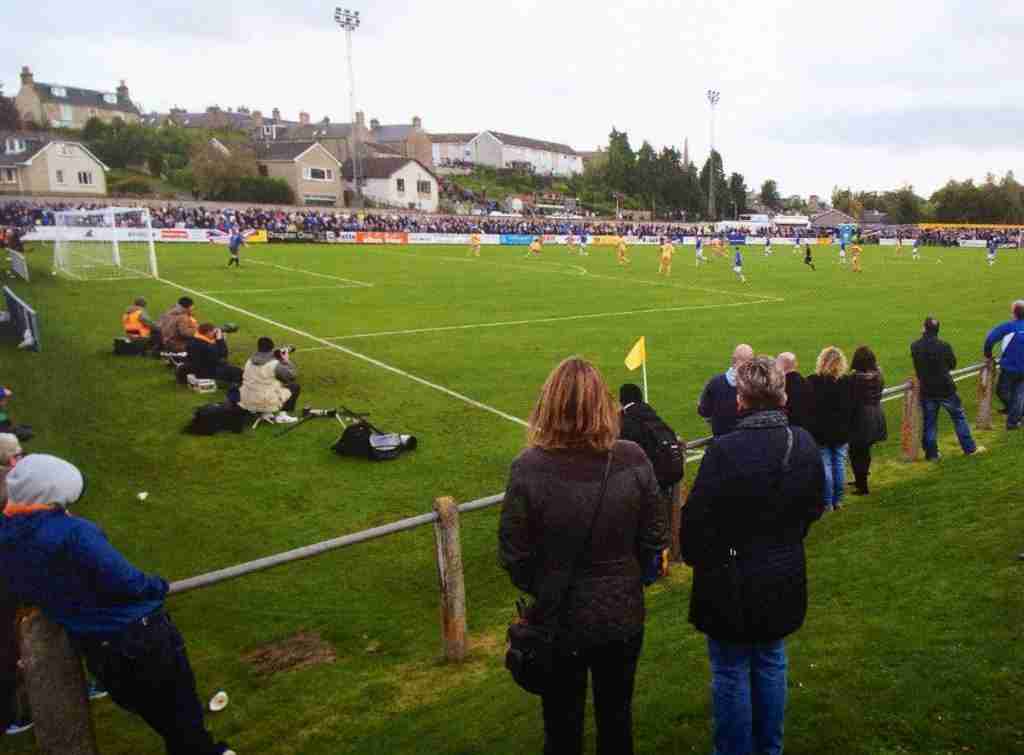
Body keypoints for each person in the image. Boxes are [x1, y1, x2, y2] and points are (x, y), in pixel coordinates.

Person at [0, 454, 235, 755]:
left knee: (156, 712)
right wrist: (157, 585)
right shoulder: (74, 533)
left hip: (98, 649)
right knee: (182, 712)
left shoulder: (8, 537)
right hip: (141, 637)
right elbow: (126, 582)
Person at [499, 357, 668, 755]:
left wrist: (548, 587)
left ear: (549, 405)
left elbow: (514, 555)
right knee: (616, 724)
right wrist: (628, 580)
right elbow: (655, 539)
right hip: (619, 615)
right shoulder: (632, 458)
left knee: (562, 731)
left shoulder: (529, 466)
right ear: (603, 405)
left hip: (562, 619)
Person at [680, 356, 825, 755]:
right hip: (782, 570)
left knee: (732, 669)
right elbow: (815, 505)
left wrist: (703, 556)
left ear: (741, 400)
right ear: (781, 397)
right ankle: (768, 748)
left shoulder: (725, 451)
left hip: (733, 577)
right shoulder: (803, 443)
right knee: (770, 659)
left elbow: (694, 524)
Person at [911, 317, 984, 460]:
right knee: (958, 418)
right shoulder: (944, 346)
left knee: (930, 423)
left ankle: (932, 455)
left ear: (924, 328)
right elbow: (952, 364)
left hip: (927, 390)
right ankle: (969, 448)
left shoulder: (915, 346)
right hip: (946, 388)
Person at [806, 346, 854, 510]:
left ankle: (827, 503)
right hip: (841, 431)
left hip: (821, 432)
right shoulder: (846, 382)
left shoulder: (812, 381)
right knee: (839, 464)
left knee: (826, 465)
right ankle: (838, 500)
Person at [848, 346, 888, 495]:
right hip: (876, 413)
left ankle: (862, 484)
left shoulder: (854, 378)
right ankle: (860, 478)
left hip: (861, 416)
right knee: (864, 450)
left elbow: (850, 397)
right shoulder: (879, 374)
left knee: (857, 450)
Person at [238, 337, 301, 424]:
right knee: (294, 387)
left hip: (246, 399)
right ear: (272, 348)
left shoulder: (249, 360)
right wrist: (286, 361)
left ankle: (265, 413)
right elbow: (292, 376)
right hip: (263, 401)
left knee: (267, 384)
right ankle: (282, 416)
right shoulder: (274, 365)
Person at [983, 299, 1024, 430]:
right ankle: (1015, 415)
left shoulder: (1008, 327)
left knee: (1002, 391)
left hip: (1010, 367)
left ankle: (1014, 418)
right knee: (1018, 393)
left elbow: (990, 339)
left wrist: (988, 355)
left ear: (1014, 313)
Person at [699, 344, 755, 438]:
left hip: (722, 440)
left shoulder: (715, 382)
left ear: (733, 359)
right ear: (752, 361)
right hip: (750, 441)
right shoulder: (758, 384)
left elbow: (704, 411)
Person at [776, 353, 810, 429]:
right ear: (795, 364)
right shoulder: (807, 383)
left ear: (781, 366)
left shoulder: (778, 386)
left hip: (786, 429)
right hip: (805, 428)